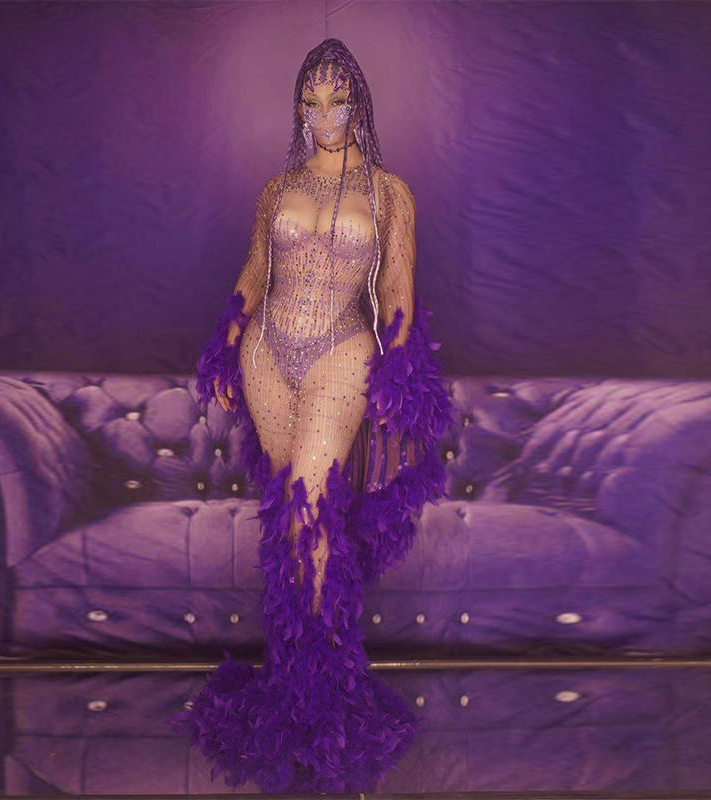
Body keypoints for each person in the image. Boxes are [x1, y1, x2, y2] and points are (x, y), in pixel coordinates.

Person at [169, 38, 455, 793]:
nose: (325, 114)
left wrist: (400, 366)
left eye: (337, 99)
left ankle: (326, 697)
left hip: (342, 348)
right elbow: (255, 271)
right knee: (285, 512)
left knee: (312, 509)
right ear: (298, 108)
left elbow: (396, 287)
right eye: (311, 101)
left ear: (359, 102)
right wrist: (227, 342)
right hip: (267, 351)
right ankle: (288, 686)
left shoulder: (390, 193)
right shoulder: (277, 188)